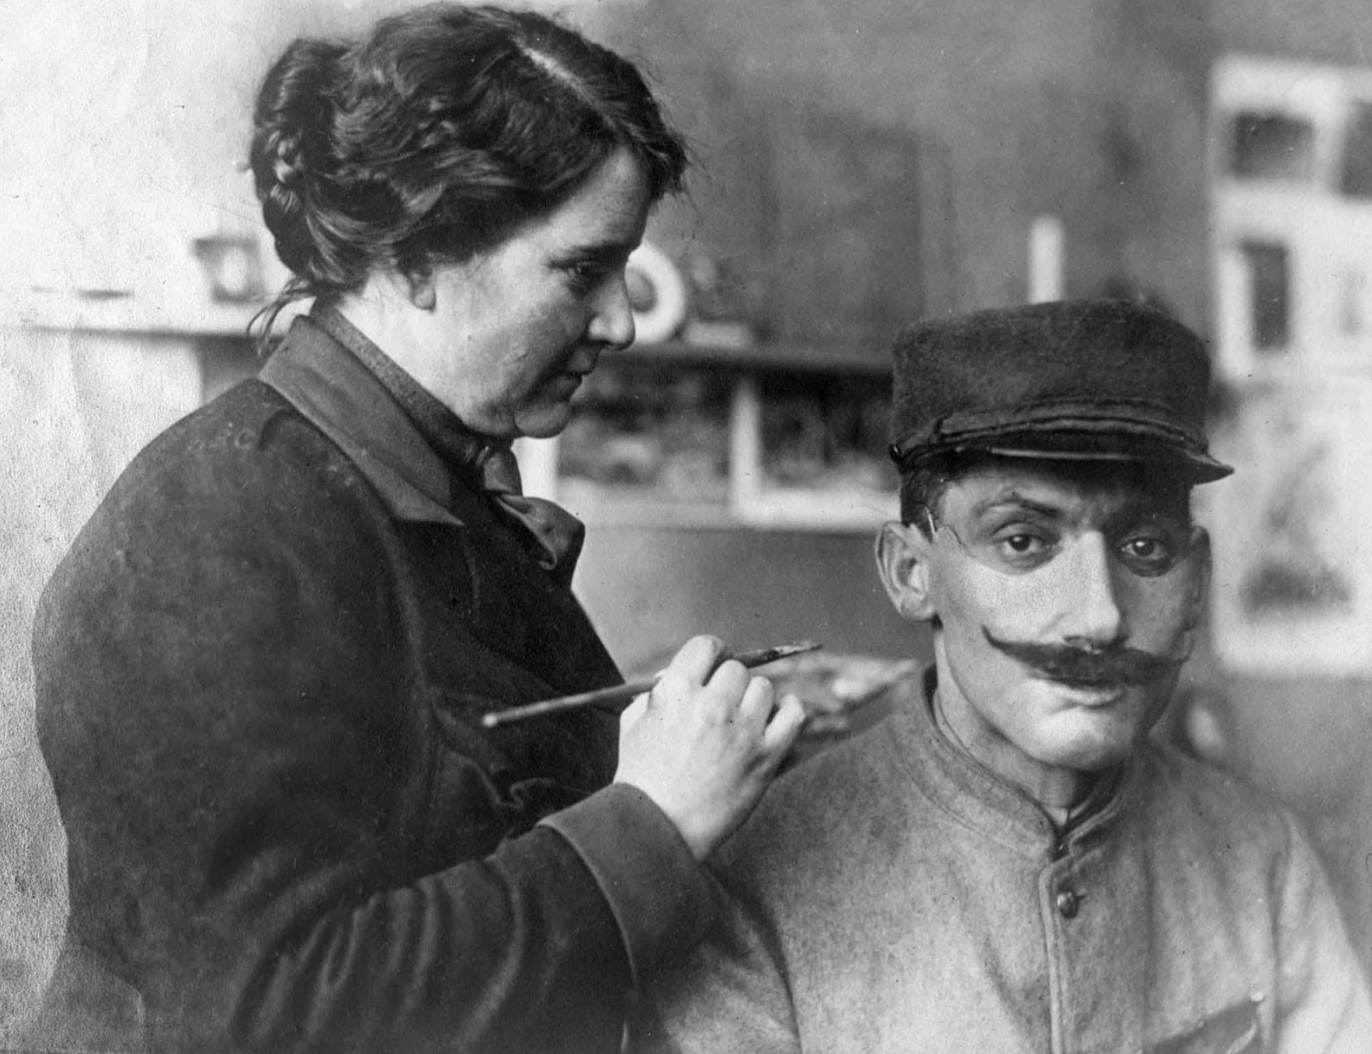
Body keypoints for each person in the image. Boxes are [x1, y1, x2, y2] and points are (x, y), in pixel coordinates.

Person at [27, 6, 804, 1052]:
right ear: (423, 255)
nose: (621, 320)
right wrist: (651, 824)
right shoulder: (217, 527)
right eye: (582, 270)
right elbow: (261, 1011)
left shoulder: (426, 494)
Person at [636, 300, 1372, 1053]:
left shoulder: (1261, 861)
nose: (1099, 617)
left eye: (1146, 547)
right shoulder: (756, 880)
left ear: (1197, 583)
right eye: (1023, 541)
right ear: (911, 572)